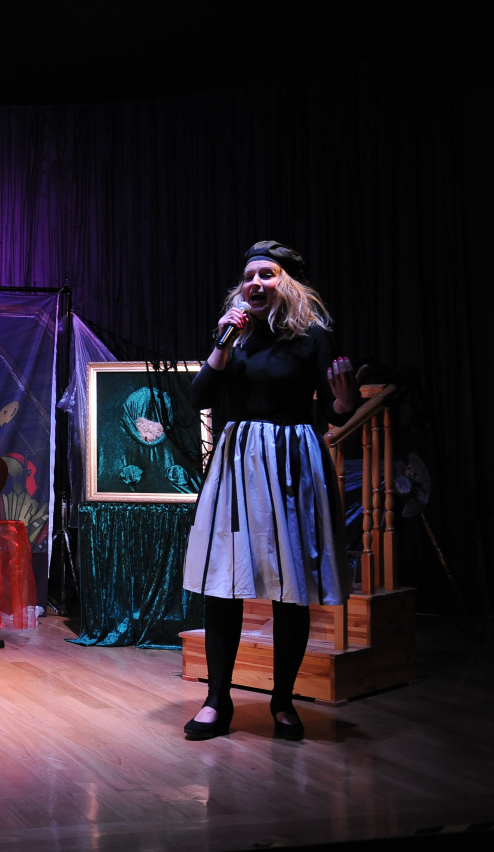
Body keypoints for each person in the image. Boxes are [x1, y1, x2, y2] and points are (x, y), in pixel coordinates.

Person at [181, 241, 360, 742]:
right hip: (238, 462)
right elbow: (198, 398)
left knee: (291, 587)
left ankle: (283, 701)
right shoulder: (233, 338)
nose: (255, 283)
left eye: (267, 274)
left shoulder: (312, 337)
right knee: (224, 583)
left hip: (292, 462)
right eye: (249, 276)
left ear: (288, 284)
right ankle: (217, 700)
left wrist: (344, 401)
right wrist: (222, 343)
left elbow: (335, 411)